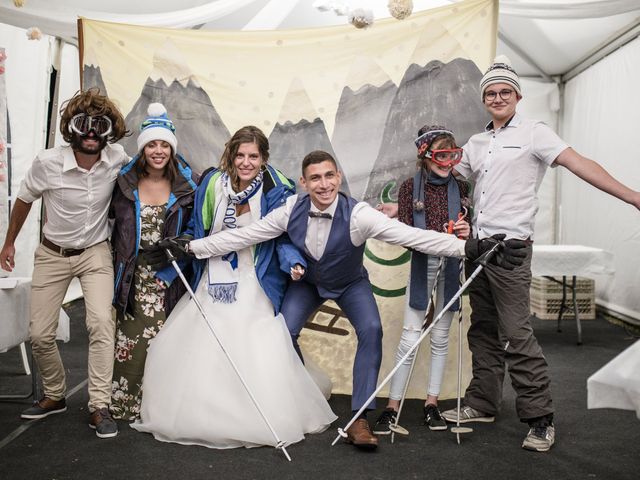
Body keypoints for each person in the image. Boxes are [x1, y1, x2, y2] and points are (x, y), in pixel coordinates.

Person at [161, 150, 527, 450]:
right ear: (304, 183)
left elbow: (415, 237)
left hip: (350, 283)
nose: (323, 184)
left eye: (329, 176)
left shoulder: (361, 214)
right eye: (315, 178)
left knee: (371, 329)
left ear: (338, 178)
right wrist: (190, 247)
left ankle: (359, 420)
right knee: (281, 331)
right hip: (309, 285)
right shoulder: (291, 210)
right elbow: (244, 237)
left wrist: (470, 247)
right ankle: (292, 402)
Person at [436, 55, 640, 452]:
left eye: (504, 92)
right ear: (484, 100)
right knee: (483, 330)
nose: (497, 97)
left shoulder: (535, 133)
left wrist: (632, 196)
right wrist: (399, 205)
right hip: (477, 249)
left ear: (517, 95)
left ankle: (541, 419)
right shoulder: (476, 144)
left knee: (516, 333)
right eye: (491, 93)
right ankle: (483, 403)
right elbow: (444, 182)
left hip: (511, 250)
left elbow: (580, 164)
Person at [131, 126, 337, 449]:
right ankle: (204, 414)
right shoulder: (212, 184)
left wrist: (293, 262)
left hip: (253, 277)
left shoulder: (276, 189)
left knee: (253, 341)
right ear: (231, 153)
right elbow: (196, 228)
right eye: (240, 155)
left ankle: (257, 416)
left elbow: (284, 235)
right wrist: (179, 251)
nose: (246, 162)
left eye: (253, 156)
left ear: (264, 158)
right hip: (211, 278)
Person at [0, 88, 129, 438]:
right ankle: (55, 395)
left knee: (102, 323)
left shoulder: (117, 158)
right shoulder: (48, 163)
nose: (90, 133)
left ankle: (99, 404)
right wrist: (9, 242)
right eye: (83, 124)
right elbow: (25, 199)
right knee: (40, 333)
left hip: (95, 253)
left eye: (99, 126)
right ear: (71, 128)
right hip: (52, 254)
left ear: (109, 130)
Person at [373, 125, 471, 436]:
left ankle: (432, 404)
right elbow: (404, 233)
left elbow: (470, 224)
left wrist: (467, 232)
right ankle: (392, 408)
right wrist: (432, 239)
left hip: (452, 265)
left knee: (441, 337)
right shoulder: (408, 189)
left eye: (452, 155)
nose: (447, 162)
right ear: (425, 155)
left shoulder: (462, 187)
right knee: (410, 337)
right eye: (441, 155)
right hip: (423, 264)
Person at [109, 103, 197, 420]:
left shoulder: (189, 186)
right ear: (143, 148)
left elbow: (196, 229)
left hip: (170, 275)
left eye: (164, 144)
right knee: (131, 343)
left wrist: (181, 247)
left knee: (167, 342)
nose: (158, 151)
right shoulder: (123, 184)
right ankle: (125, 404)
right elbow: (110, 225)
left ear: (171, 149)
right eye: (151, 144)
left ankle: (162, 407)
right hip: (133, 275)